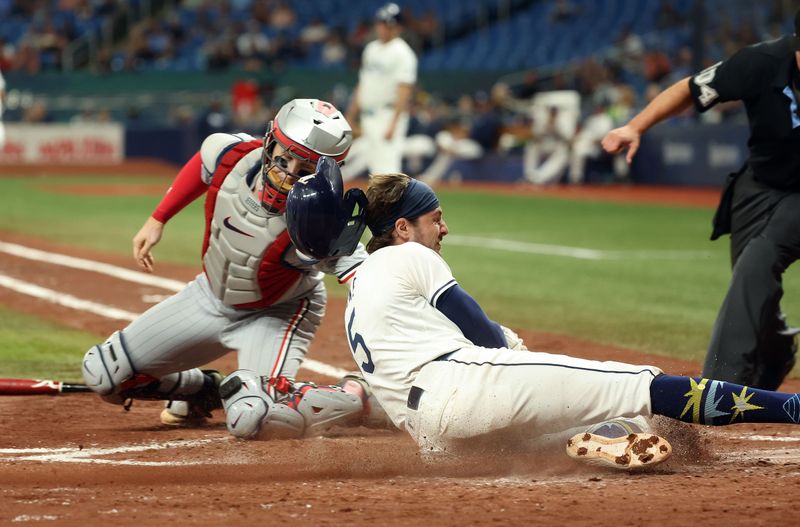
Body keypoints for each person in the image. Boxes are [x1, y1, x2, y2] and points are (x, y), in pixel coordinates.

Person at [286, 170, 800, 470]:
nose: (445, 227)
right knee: (644, 384)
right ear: (402, 228)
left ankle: (603, 437)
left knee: (576, 431)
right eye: (434, 217)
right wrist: (515, 353)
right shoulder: (409, 256)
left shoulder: (356, 299)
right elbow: (480, 330)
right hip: (467, 387)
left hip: (438, 445)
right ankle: (793, 408)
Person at [81, 98, 385, 440]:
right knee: (105, 373)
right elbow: (201, 165)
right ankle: (202, 391)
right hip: (208, 296)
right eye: (284, 157)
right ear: (271, 140)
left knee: (254, 417)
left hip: (275, 313)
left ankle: (357, 397)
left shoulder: (318, 220)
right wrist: (158, 218)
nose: (287, 174)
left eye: (304, 169)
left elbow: (362, 273)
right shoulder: (231, 154)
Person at [601, 10, 800, 390]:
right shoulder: (760, 62)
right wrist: (634, 126)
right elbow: (688, 91)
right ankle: (776, 352)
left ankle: (719, 387)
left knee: (759, 258)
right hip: (760, 185)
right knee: (751, 277)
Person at [342, 2, 417, 181]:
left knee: (388, 169)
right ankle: (382, 207)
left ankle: (395, 208)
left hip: (388, 115)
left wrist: (393, 124)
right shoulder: (371, 49)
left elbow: (405, 91)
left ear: (397, 27)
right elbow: (363, 84)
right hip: (368, 116)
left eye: (387, 24)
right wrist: (351, 115)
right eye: (381, 22)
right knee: (375, 167)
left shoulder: (403, 53)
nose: (382, 27)